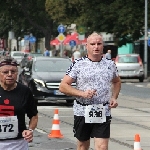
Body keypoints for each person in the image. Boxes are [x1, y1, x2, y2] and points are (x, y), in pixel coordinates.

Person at [59, 32, 121, 150]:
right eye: (92, 44)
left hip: (103, 110)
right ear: (86, 46)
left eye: (99, 44)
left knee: (102, 147)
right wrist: (82, 93)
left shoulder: (110, 64)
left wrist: (114, 97)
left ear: (103, 46)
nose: (96, 47)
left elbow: (117, 81)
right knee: (83, 146)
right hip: (83, 110)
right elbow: (63, 86)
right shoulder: (78, 64)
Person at [0, 56, 38, 150]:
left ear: (17, 73)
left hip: (18, 144)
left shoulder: (25, 91)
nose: (9, 75)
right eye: (5, 72)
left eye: (13, 72)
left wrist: (30, 130)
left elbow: (34, 115)